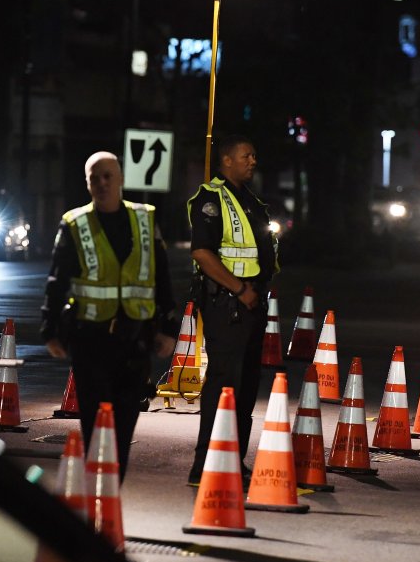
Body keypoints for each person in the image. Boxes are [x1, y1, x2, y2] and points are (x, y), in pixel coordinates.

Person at [41, 151, 178, 481]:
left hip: (135, 340)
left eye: (108, 176)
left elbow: (162, 277)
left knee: (126, 418)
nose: (102, 183)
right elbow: (57, 280)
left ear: (120, 179)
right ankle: (95, 487)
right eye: (95, 178)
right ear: (87, 183)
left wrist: (168, 328)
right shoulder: (75, 223)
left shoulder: (145, 220)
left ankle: (111, 487)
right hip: (90, 338)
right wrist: (51, 331)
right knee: (95, 419)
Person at [186, 134, 279, 486]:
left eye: (254, 155)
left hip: (251, 304)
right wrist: (240, 289)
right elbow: (202, 253)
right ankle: (205, 463)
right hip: (227, 306)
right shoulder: (211, 198)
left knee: (247, 385)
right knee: (224, 382)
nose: (253, 161)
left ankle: (232, 459)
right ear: (227, 160)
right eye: (246, 156)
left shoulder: (251, 201)